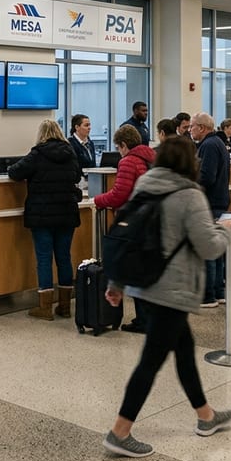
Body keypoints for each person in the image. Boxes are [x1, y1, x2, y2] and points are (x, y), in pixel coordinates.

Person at [101, 137, 231, 458]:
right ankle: (120, 431)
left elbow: (131, 232)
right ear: (190, 162)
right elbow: (209, 247)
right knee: (151, 360)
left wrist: (117, 282)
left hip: (143, 285)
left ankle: (205, 415)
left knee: (185, 349)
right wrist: (225, 231)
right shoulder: (190, 195)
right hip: (171, 290)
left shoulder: (145, 183)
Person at [7, 119, 83, 320]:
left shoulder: (37, 154)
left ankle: (45, 307)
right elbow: (76, 176)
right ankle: (65, 306)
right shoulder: (70, 153)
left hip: (42, 215)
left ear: (41, 134)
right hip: (67, 212)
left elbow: (14, 172)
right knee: (64, 257)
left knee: (44, 259)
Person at [94, 125, 155, 332]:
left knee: (134, 269)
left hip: (134, 221)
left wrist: (98, 200)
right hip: (151, 219)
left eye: (118, 147)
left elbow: (120, 193)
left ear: (123, 145)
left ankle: (143, 320)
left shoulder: (128, 161)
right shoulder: (150, 157)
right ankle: (148, 318)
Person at [190, 112, 229, 307]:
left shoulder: (208, 146)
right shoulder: (217, 143)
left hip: (211, 204)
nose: (190, 130)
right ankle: (219, 291)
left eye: (192, 126)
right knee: (217, 251)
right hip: (219, 202)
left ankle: (208, 294)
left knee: (208, 252)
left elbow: (206, 176)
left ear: (202, 128)